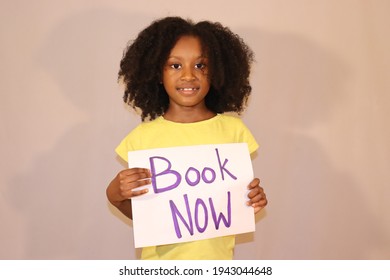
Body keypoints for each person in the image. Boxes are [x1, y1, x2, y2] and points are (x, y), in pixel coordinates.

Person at [106, 16, 268, 260]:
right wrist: (115, 194)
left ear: (216, 72)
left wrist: (252, 200)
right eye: (175, 65)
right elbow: (147, 216)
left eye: (201, 65)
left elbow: (230, 209)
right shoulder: (142, 138)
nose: (189, 76)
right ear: (157, 74)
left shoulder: (234, 132)